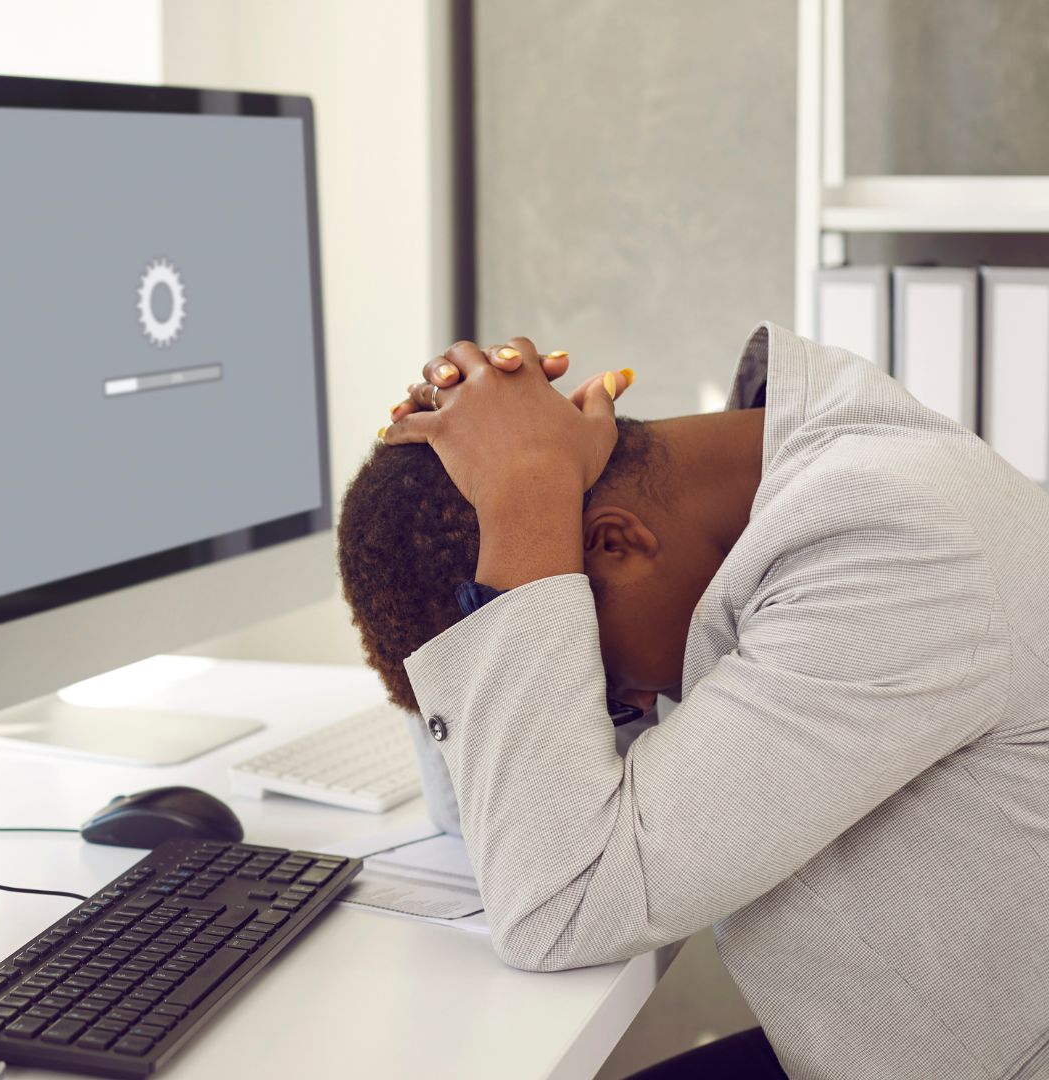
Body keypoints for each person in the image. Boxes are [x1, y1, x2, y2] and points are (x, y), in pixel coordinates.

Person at [336, 325, 1049, 1080]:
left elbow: (557, 906)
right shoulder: (770, 479)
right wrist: (492, 447)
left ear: (615, 543)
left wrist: (527, 483)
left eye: (601, 681)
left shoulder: (886, 544)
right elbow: (471, 812)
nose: (634, 705)